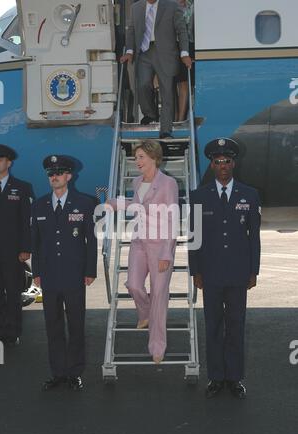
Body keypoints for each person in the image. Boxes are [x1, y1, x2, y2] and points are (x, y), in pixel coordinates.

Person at [188, 138, 261, 399]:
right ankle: (216, 377)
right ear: (212, 164)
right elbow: (194, 236)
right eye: (218, 162)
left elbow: (254, 237)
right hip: (211, 273)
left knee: (236, 325)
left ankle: (234, 378)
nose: (223, 166)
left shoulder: (249, 194)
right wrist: (195, 271)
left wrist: (254, 271)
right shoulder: (199, 196)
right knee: (214, 325)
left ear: (234, 163)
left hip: (239, 273)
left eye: (227, 161)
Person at [107, 140, 179, 363]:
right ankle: (145, 312)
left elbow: (172, 219)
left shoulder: (168, 183)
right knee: (133, 284)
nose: (136, 161)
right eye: (135, 157)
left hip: (160, 246)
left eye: (140, 157)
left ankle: (157, 346)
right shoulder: (137, 181)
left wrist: (167, 253)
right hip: (139, 243)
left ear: (153, 159)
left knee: (159, 295)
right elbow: (139, 205)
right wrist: (119, 203)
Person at [31, 155, 97, 391]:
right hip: (48, 275)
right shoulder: (39, 205)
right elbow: (36, 243)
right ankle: (58, 372)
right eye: (51, 173)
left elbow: (91, 241)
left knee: (76, 324)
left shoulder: (85, 203)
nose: (54, 177)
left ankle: (74, 373)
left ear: (69, 176)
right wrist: (36, 272)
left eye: (59, 172)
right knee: (53, 325)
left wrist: (90, 270)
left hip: (74, 274)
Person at [120, 0, 192, 138]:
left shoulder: (171, 5)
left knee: (167, 91)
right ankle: (150, 114)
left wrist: (184, 53)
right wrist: (129, 51)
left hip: (166, 54)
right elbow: (131, 30)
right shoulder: (136, 8)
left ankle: (166, 129)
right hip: (144, 53)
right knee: (143, 85)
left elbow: (181, 30)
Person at [0, 144, 32, 346]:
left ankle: (12, 332)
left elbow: (26, 221)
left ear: (9, 163)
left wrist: (26, 248)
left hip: (12, 252)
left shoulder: (21, 187)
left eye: (0, 159)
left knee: (13, 292)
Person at [176, 0, 194, 121]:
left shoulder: (193, 5)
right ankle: (175, 117)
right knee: (172, 85)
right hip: (173, 46)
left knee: (184, 83)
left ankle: (181, 118)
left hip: (191, 46)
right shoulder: (169, 4)